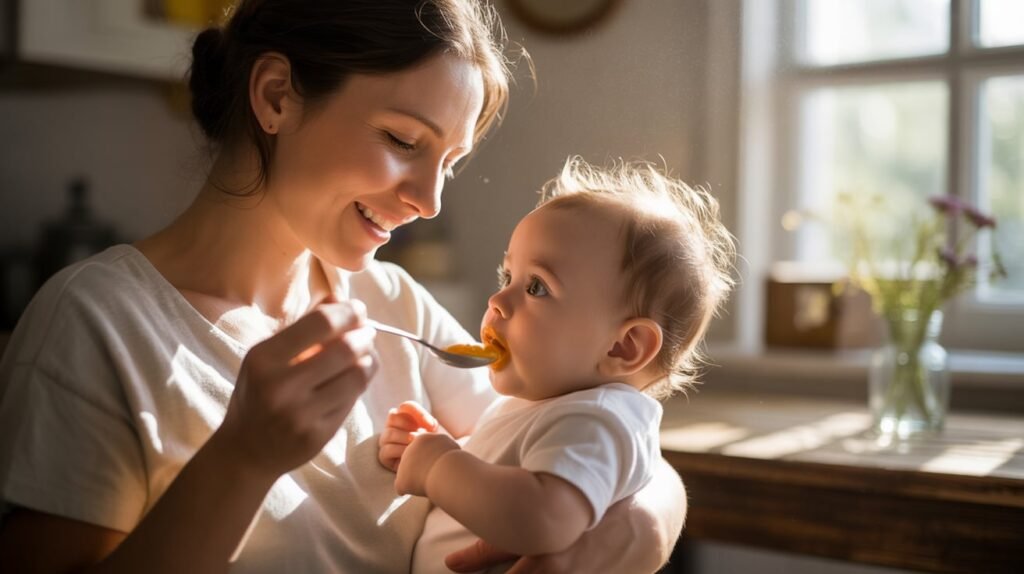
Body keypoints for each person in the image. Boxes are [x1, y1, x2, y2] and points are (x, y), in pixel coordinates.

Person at [0, 1, 687, 573]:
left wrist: (647, 522)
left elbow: (598, 435)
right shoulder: (97, 325)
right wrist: (241, 459)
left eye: (449, 163)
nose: (429, 201)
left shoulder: (392, 305)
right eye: (402, 139)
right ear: (275, 97)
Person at [378, 157, 736, 573]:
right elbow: (506, 482)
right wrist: (443, 449)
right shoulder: (545, 406)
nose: (497, 301)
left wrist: (439, 466)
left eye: (536, 287)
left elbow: (542, 518)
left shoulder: (597, 420)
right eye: (506, 276)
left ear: (624, 346)